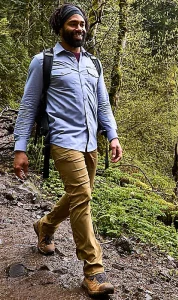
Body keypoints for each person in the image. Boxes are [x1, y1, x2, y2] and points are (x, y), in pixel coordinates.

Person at [13, 3, 122, 297]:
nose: (80, 29)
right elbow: (28, 105)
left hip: (90, 142)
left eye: (83, 24)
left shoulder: (93, 64)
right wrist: (19, 148)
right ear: (60, 26)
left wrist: (112, 135)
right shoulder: (43, 62)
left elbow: (103, 104)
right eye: (74, 24)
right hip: (62, 140)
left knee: (77, 195)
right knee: (83, 197)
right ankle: (93, 272)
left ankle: (45, 226)